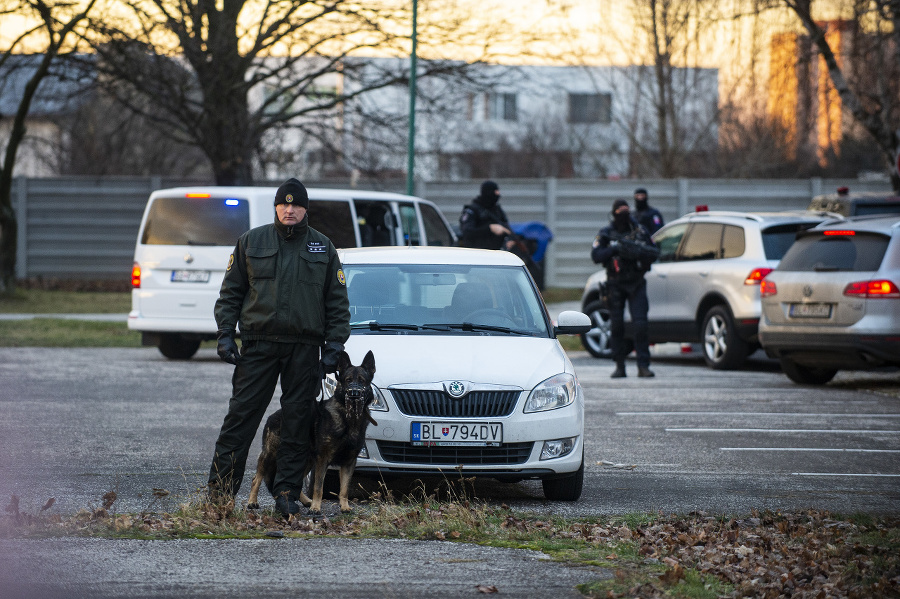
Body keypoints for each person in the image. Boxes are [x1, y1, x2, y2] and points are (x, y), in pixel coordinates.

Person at [207, 177, 351, 517]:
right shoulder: (251, 242)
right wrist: (225, 333)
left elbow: (338, 303)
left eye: (296, 204)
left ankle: (286, 493)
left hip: (304, 349)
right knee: (240, 418)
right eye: (284, 204)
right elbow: (231, 293)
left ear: (305, 209)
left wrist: (333, 346)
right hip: (258, 346)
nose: (289, 209)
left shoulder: (322, 248)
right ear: (275, 206)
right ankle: (220, 495)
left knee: (298, 423)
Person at [591, 199, 660, 379]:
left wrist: (637, 253)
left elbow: (654, 252)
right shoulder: (606, 233)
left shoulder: (639, 231)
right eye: (621, 211)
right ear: (614, 213)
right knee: (616, 326)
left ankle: (643, 366)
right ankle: (619, 366)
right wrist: (615, 249)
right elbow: (596, 255)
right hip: (615, 283)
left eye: (626, 211)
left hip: (636, 282)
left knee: (640, 324)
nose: (624, 214)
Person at [458, 180, 516, 250]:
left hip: (497, 253)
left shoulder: (497, 210)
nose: (498, 194)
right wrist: (489, 229)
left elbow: (507, 228)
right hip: (477, 253)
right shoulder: (472, 210)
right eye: (495, 191)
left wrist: (511, 239)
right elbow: (467, 232)